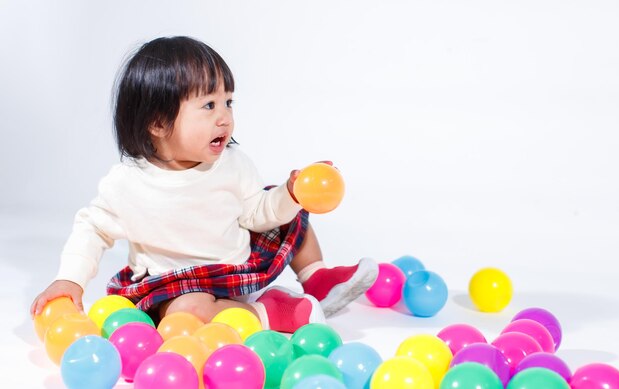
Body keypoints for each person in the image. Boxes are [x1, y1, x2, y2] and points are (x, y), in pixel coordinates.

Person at [30, 36, 378, 333]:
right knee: (186, 315)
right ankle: (269, 312)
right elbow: (92, 229)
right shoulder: (127, 183)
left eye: (228, 101)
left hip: (238, 270)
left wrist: (292, 194)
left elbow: (258, 213)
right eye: (208, 105)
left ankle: (316, 277)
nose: (224, 117)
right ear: (158, 123)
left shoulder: (232, 164)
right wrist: (71, 279)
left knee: (285, 205)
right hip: (175, 284)